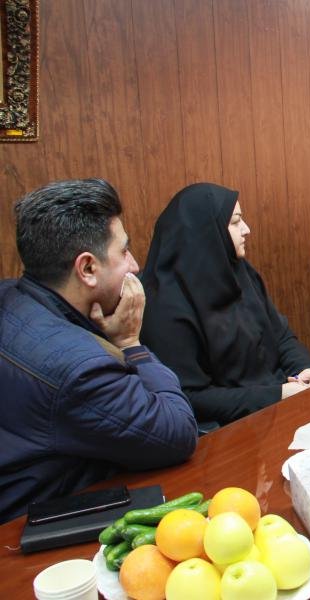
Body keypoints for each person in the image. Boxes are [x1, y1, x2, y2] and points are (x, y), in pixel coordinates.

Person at [0, 179, 198, 523]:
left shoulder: (10, 295)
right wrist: (130, 343)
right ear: (88, 268)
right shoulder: (77, 368)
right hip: (37, 528)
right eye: (124, 251)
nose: (134, 265)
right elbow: (178, 434)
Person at [141, 183, 310, 426]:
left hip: (279, 406)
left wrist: (305, 370)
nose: (246, 229)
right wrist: (277, 395)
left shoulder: (238, 271)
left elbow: (282, 337)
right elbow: (191, 397)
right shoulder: (165, 304)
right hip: (231, 427)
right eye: (236, 222)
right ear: (206, 232)